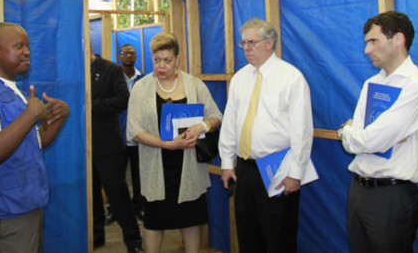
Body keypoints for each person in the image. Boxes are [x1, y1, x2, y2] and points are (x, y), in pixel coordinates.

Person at [0, 22, 69, 253]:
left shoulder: (11, 90)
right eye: (18, 46)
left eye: (28, 46)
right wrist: (30, 115)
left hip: (23, 205)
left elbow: (33, 144)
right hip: (4, 211)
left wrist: (59, 117)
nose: (27, 52)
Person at [338, 11, 418, 253]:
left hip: (391, 197)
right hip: (359, 190)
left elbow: (370, 139)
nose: (367, 50)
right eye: (366, 43)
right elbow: (364, 140)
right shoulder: (372, 83)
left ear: (398, 40)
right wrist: (355, 134)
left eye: (373, 41)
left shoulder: (416, 85)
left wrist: (346, 130)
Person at [219, 17, 313, 252]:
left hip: (278, 168)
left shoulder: (291, 78)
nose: (246, 49)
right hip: (245, 170)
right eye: (243, 44)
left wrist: (295, 173)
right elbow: (231, 123)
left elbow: (302, 130)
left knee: (278, 236)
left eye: (252, 42)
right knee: (248, 235)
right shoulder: (240, 78)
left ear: (270, 43)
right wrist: (227, 163)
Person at [127, 33, 222, 253]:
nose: (162, 66)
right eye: (157, 60)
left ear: (177, 59)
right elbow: (134, 130)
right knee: (153, 222)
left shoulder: (194, 84)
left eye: (167, 60)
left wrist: (203, 126)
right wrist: (167, 144)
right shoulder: (141, 88)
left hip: (189, 165)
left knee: (190, 220)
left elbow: (216, 116)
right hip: (156, 167)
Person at [90, 48, 144, 253]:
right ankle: (96, 237)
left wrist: (91, 105)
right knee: (91, 194)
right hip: (84, 145)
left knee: (117, 193)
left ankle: (133, 241)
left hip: (108, 144)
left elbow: (123, 99)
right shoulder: (76, 70)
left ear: (90, 50)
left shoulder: (110, 70)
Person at [118, 44, 145, 220]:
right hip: (118, 136)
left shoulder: (143, 79)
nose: (129, 56)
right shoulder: (113, 77)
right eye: (126, 53)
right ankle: (117, 210)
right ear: (119, 57)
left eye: (132, 53)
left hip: (138, 136)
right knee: (118, 178)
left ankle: (139, 206)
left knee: (138, 175)